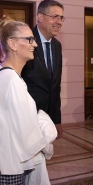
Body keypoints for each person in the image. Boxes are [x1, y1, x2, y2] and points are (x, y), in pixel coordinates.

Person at [0, 17, 49, 184]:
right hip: (10, 167)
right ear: (12, 44)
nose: (34, 44)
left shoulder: (5, 74)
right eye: (29, 39)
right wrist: (47, 131)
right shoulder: (12, 80)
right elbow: (27, 131)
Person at [22, 0, 64, 138]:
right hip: (27, 117)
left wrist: (56, 120)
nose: (59, 22)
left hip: (48, 119)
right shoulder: (24, 41)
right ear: (40, 17)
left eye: (61, 18)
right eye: (54, 17)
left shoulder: (57, 46)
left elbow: (55, 86)